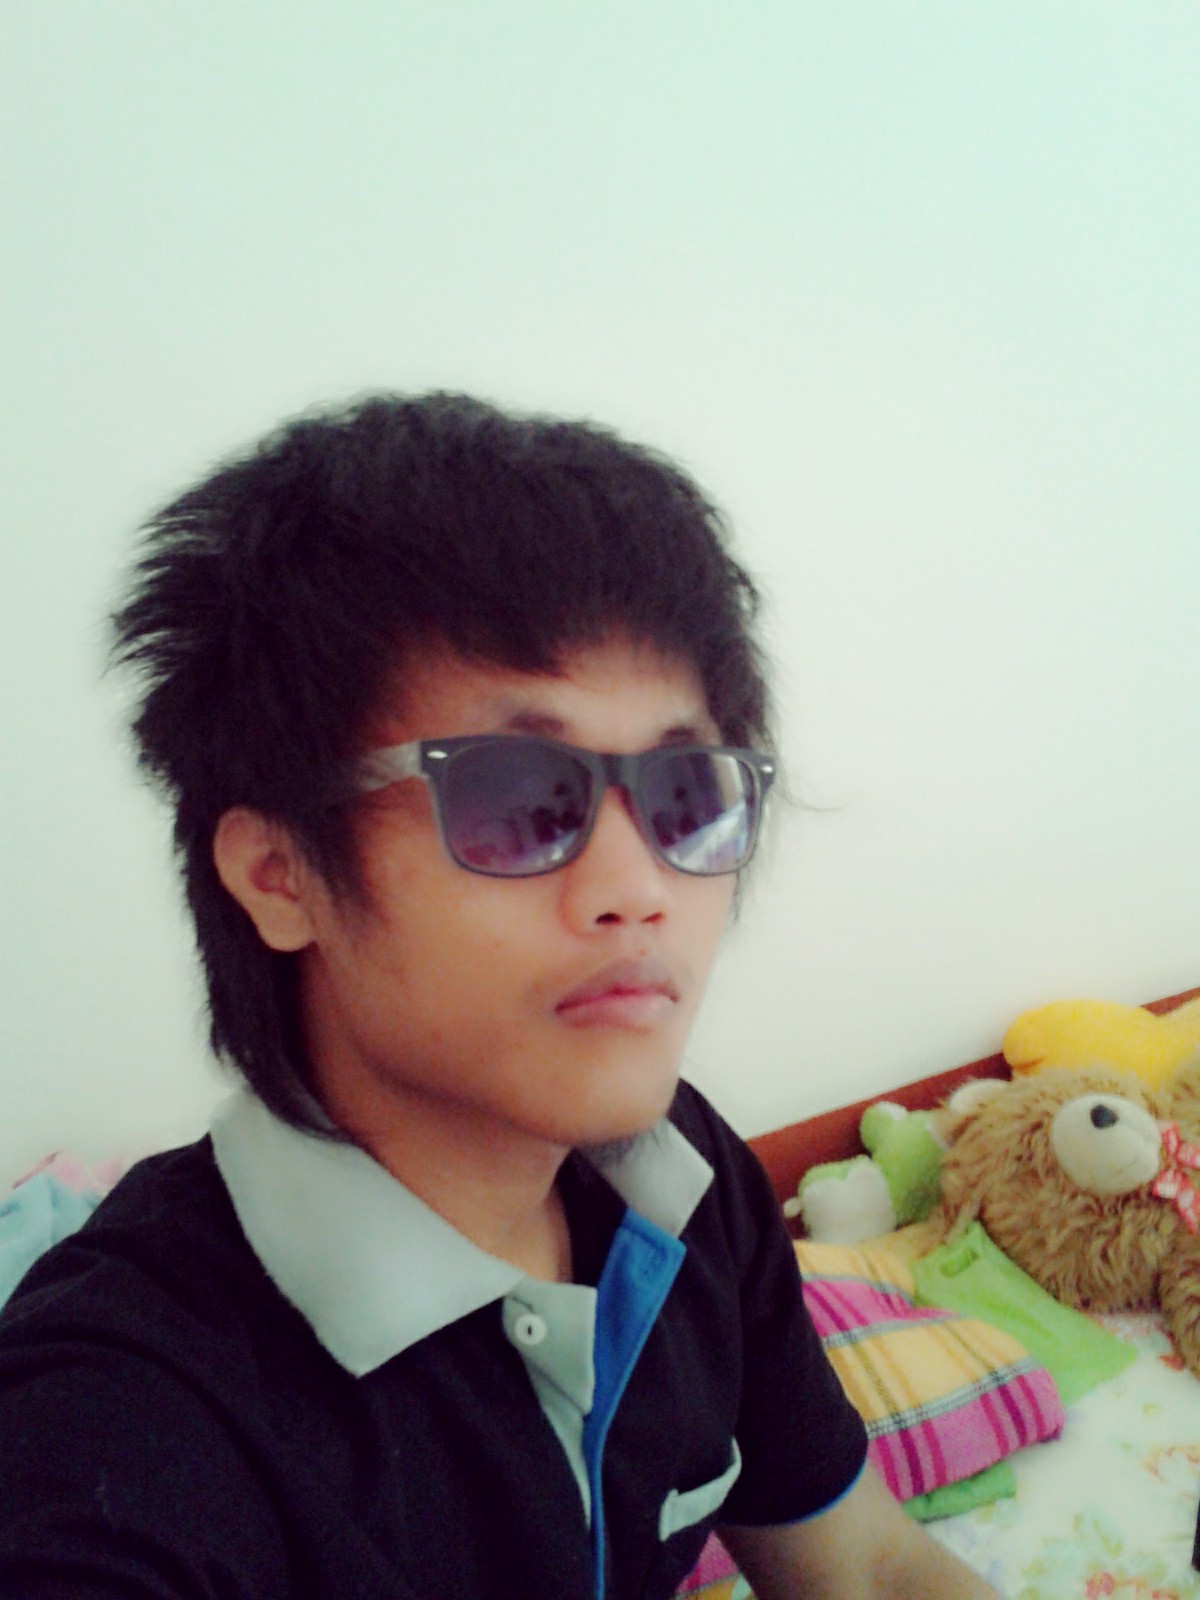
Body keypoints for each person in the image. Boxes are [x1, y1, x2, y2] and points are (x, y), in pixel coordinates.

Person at [0, 394, 999, 1599]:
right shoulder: (120, 1421)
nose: (639, 887)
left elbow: (868, 1567)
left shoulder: (682, 1183)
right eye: (520, 797)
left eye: (687, 795)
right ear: (279, 875)